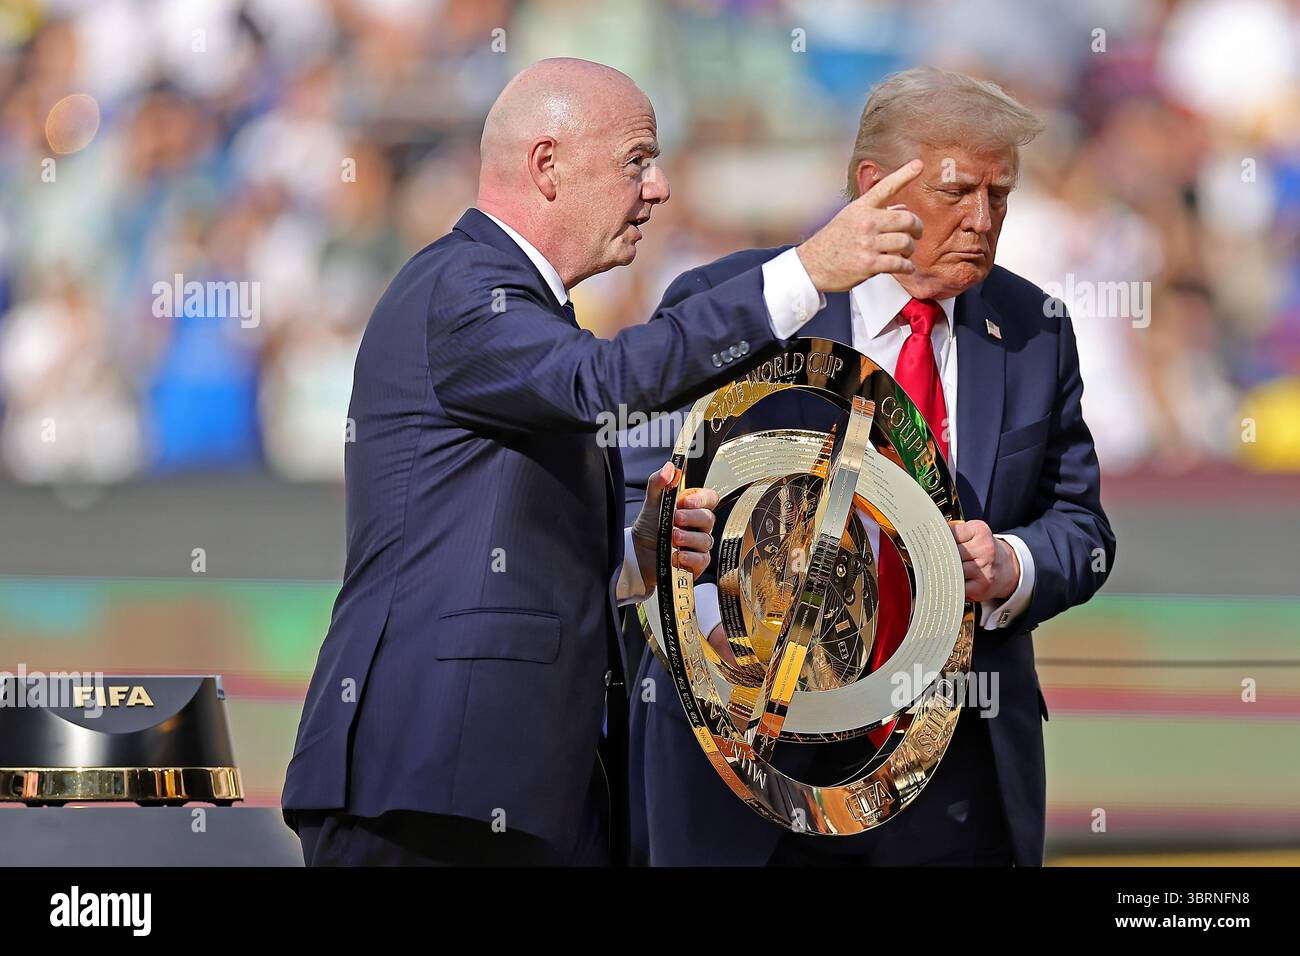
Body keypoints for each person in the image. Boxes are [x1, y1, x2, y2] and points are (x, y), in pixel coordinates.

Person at [282, 57, 927, 865]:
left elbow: (505, 533)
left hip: (513, 791)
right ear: (547, 165)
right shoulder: (463, 287)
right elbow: (606, 379)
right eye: (637, 160)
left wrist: (635, 557)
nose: (656, 188)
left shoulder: (514, 308)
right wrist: (805, 274)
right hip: (433, 787)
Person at [622, 67, 1117, 866]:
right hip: (748, 763)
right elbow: (638, 501)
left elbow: (1081, 526)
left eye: (1001, 194)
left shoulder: (1034, 328)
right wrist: (723, 627)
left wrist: (1010, 565)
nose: (983, 219)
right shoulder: (736, 302)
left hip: (948, 768)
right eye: (959, 191)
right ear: (874, 185)